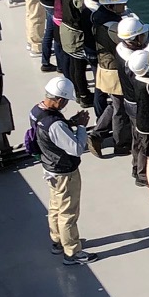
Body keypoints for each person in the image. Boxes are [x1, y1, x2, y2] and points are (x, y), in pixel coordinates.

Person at [25, 75, 92, 266]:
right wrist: (80, 127)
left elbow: (49, 134)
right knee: (68, 213)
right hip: (64, 172)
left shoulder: (36, 111)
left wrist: (69, 123)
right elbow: (76, 148)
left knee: (55, 206)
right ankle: (72, 252)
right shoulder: (55, 124)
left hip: (49, 167)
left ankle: (57, 241)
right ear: (60, 99)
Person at [88, 0, 131, 157]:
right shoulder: (113, 25)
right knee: (120, 109)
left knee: (114, 104)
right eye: (120, 4)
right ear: (110, 6)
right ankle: (120, 144)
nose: (124, 7)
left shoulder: (97, 16)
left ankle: (97, 134)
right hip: (115, 71)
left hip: (104, 67)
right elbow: (128, 43)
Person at [121, 40, 149, 192]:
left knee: (139, 146)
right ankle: (147, 182)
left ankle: (137, 169)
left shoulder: (134, 77)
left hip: (138, 120)